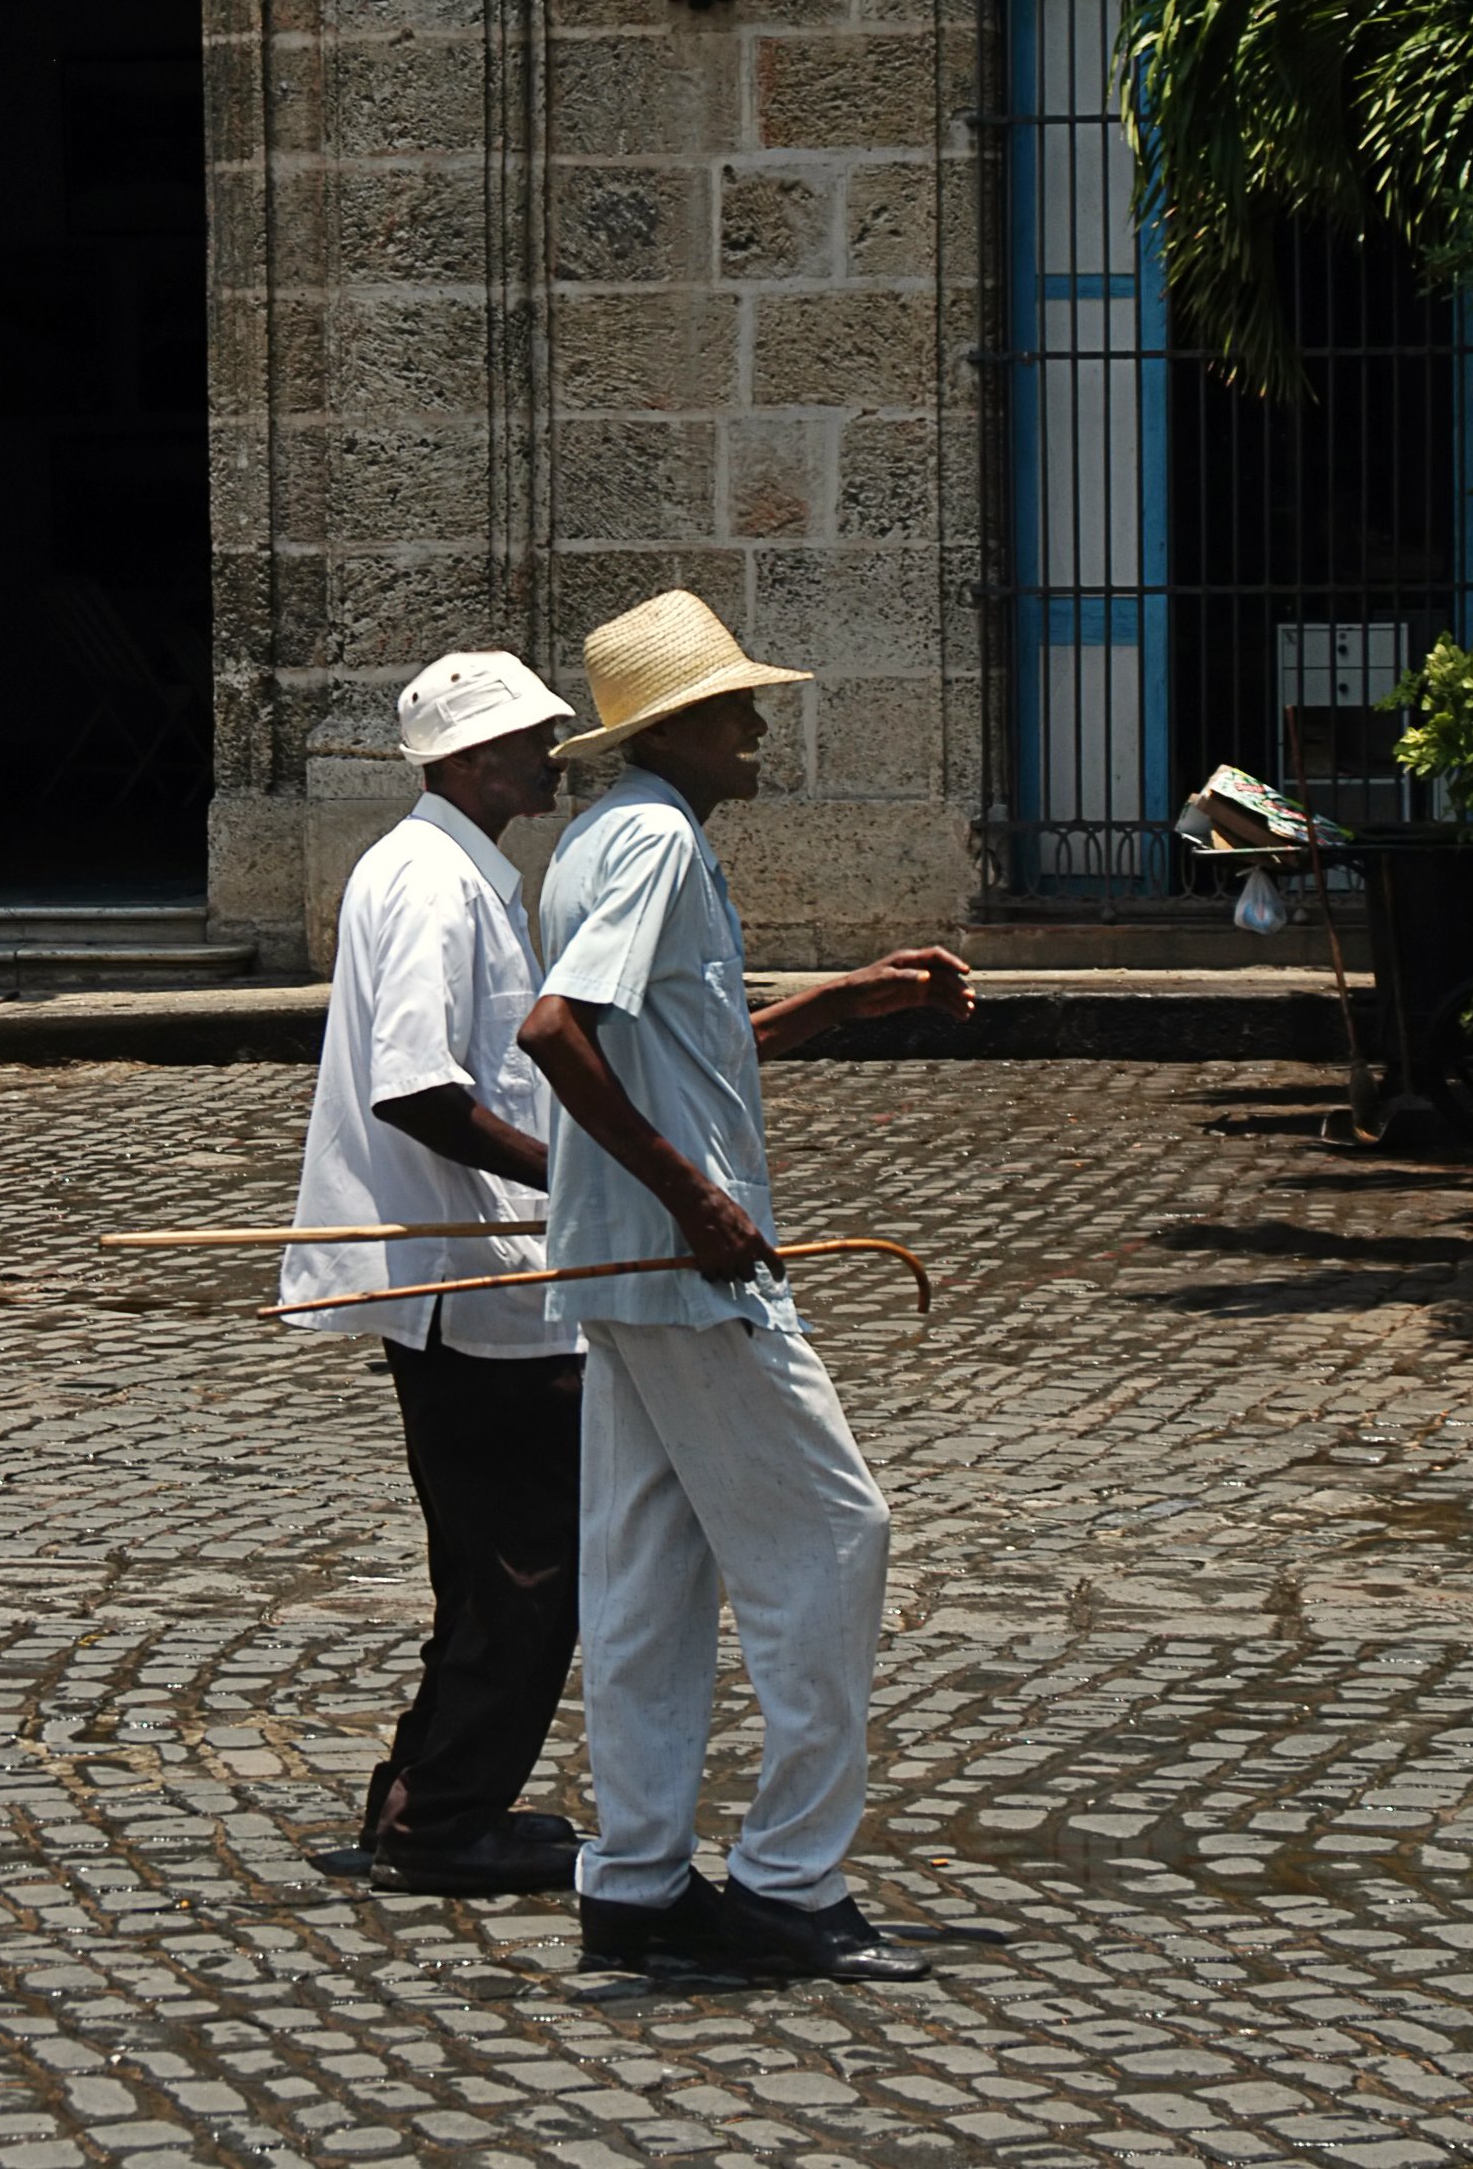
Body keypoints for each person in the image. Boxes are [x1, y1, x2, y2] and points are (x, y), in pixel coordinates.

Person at [519, 589, 973, 1980]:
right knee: (838, 1535)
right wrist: (697, 1198)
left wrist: (838, 1003)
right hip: (677, 1264)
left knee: (649, 1580)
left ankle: (639, 1883)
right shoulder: (652, 836)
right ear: (675, 729)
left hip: (626, 1269)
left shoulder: (608, 836)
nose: (759, 728)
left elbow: (676, 1048)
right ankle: (788, 1883)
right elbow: (559, 1034)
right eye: (734, 710)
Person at [278, 647, 585, 1898]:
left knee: (487, 1565)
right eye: (527, 740)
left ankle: (418, 1800)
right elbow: (418, 1090)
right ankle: (443, 1822)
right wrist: (572, 1180)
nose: (548, 756)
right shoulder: (428, 881)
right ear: (465, 760)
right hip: (474, 1276)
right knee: (529, 1569)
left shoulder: (453, 866)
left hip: (476, 1270)